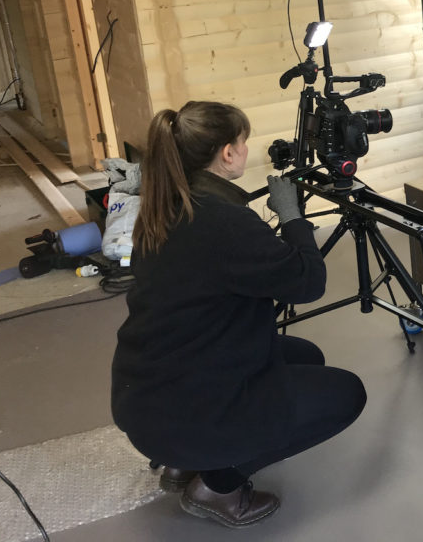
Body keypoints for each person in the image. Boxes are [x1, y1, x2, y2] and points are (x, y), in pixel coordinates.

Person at [111, 101, 366, 528]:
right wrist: (293, 218)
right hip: (188, 408)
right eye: (243, 142)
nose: (246, 150)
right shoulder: (223, 222)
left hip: (145, 393)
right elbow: (307, 284)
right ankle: (217, 483)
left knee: (305, 356)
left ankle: (179, 463)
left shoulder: (164, 205)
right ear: (228, 153)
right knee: (346, 393)